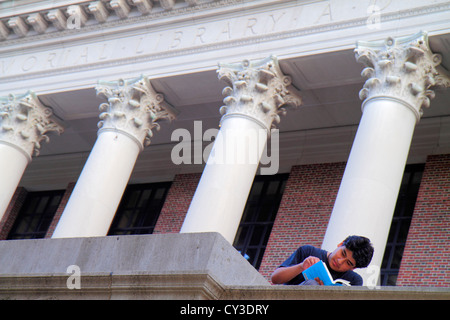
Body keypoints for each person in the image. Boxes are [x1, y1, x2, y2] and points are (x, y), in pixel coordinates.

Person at [271, 235, 374, 286]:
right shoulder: (308, 252)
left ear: (353, 268)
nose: (339, 261)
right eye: (342, 253)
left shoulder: (354, 281)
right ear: (340, 244)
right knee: (312, 284)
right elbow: (275, 279)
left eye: (348, 263)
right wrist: (301, 266)